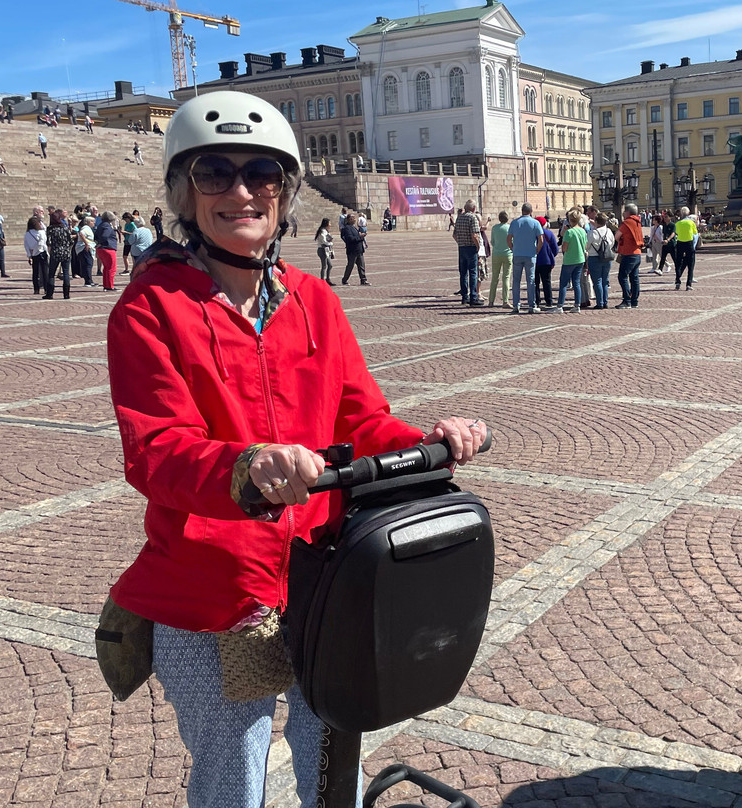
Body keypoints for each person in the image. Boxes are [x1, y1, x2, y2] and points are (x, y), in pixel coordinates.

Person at [104, 90, 487, 808]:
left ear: (286, 191)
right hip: (212, 588)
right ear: (184, 193)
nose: (241, 192)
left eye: (262, 174)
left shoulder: (314, 298)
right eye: (214, 173)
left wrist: (428, 441)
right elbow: (155, 449)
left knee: (333, 753)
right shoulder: (152, 308)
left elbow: (360, 417)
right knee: (233, 775)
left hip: (324, 574)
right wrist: (245, 466)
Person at [507, 203, 544, 314]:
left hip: (517, 254)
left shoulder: (514, 223)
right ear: (531, 211)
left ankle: (516, 305)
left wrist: (513, 249)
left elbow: (508, 239)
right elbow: (541, 239)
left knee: (516, 281)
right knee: (531, 281)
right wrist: (537, 250)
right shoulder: (535, 223)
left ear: (521, 210)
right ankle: (531, 305)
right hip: (530, 255)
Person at [554, 209, 587, 313]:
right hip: (580, 259)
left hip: (569, 260)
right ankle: (577, 305)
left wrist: (564, 233)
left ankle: (560, 305)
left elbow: (564, 248)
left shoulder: (569, 232)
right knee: (576, 282)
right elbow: (585, 245)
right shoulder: (582, 231)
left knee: (563, 283)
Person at [614, 203, 644, 308]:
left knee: (622, 276)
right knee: (634, 278)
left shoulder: (627, 223)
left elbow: (617, 236)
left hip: (629, 253)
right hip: (637, 253)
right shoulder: (638, 222)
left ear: (627, 212)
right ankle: (634, 300)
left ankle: (627, 300)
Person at [453, 199, 481, 306]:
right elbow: (474, 235)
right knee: (473, 272)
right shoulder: (472, 217)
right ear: (473, 208)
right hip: (471, 248)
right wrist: (478, 247)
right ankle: (473, 297)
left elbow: (454, 235)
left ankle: (465, 297)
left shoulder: (460, 218)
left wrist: (460, 242)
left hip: (461, 248)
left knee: (463, 273)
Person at [586, 212, 615, 310]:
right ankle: (605, 301)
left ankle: (600, 302)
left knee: (597, 281)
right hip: (607, 258)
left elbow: (587, 246)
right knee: (605, 280)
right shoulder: (609, 231)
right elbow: (612, 243)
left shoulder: (592, 233)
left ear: (597, 222)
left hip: (594, 257)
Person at [44, 210, 73, 300]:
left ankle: (49, 294)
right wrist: (67, 249)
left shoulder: (50, 229)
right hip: (65, 252)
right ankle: (66, 294)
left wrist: (50, 251)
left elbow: (48, 242)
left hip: (55, 252)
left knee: (52, 274)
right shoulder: (65, 228)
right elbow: (71, 241)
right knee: (66, 273)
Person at [487, 211, 512, 308]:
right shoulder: (509, 228)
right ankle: (505, 301)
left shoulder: (494, 228)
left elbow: (492, 241)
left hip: (496, 254)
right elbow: (512, 241)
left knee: (494, 278)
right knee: (506, 278)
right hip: (508, 254)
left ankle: (491, 301)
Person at [672, 207, 698, 291]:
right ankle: (688, 284)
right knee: (691, 263)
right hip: (689, 243)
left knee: (678, 262)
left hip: (680, 243)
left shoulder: (678, 223)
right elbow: (695, 233)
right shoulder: (691, 223)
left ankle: (678, 280)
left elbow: (677, 233)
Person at [340, 213, 369, 285]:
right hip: (352, 251)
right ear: (349, 219)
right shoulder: (347, 228)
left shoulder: (354, 227)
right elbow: (350, 239)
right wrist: (360, 237)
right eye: (353, 218)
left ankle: (363, 280)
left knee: (361, 266)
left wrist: (361, 236)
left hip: (359, 250)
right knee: (350, 266)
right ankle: (344, 280)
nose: (355, 219)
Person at [535, 217, 558, 309]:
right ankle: (549, 300)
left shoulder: (532, 234)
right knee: (547, 282)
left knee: (535, 282)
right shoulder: (549, 233)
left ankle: (536, 300)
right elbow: (555, 248)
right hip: (547, 261)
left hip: (534, 261)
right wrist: (551, 255)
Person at [94, 212, 119, 291]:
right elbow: (105, 236)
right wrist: (101, 242)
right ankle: (110, 286)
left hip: (101, 249)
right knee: (112, 268)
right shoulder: (107, 226)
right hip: (108, 248)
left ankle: (106, 285)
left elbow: (96, 236)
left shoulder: (101, 225)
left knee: (106, 268)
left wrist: (98, 243)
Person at [25, 216, 48, 294]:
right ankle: (46, 288)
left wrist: (30, 255)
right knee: (44, 271)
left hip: (33, 254)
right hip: (41, 252)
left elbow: (26, 245)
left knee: (35, 272)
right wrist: (36, 250)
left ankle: (36, 289)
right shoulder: (41, 232)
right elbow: (42, 243)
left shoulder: (27, 234)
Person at [75, 215, 97, 287]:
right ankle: (88, 281)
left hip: (83, 247)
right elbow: (81, 234)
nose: (94, 223)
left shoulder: (88, 229)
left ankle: (88, 280)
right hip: (84, 248)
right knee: (88, 264)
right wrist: (86, 243)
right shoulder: (86, 228)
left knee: (86, 264)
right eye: (93, 222)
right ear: (89, 222)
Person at [314, 217, 335, 284]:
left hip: (326, 249)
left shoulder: (325, 230)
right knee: (324, 266)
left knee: (330, 265)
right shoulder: (322, 231)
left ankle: (327, 279)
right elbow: (323, 241)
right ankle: (322, 280)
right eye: (329, 223)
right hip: (322, 249)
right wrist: (330, 243)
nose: (330, 224)